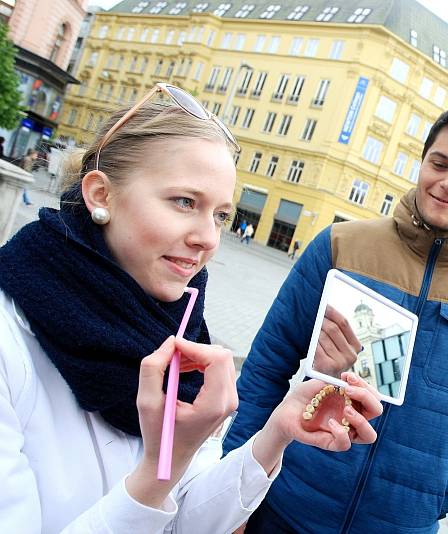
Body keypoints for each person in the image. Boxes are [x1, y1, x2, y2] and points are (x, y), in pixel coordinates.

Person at [0, 88, 382, 533]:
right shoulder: (11, 337)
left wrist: (275, 434)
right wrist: (161, 469)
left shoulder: (180, 327)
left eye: (220, 215)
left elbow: (186, 519)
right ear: (101, 194)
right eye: (185, 202)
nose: (209, 238)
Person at [225, 103, 448, 532]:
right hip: (288, 505)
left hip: (402, 525)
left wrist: (445, 488)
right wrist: (237, 487)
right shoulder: (340, 246)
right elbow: (266, 367)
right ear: (422, 161)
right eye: (440, 164)